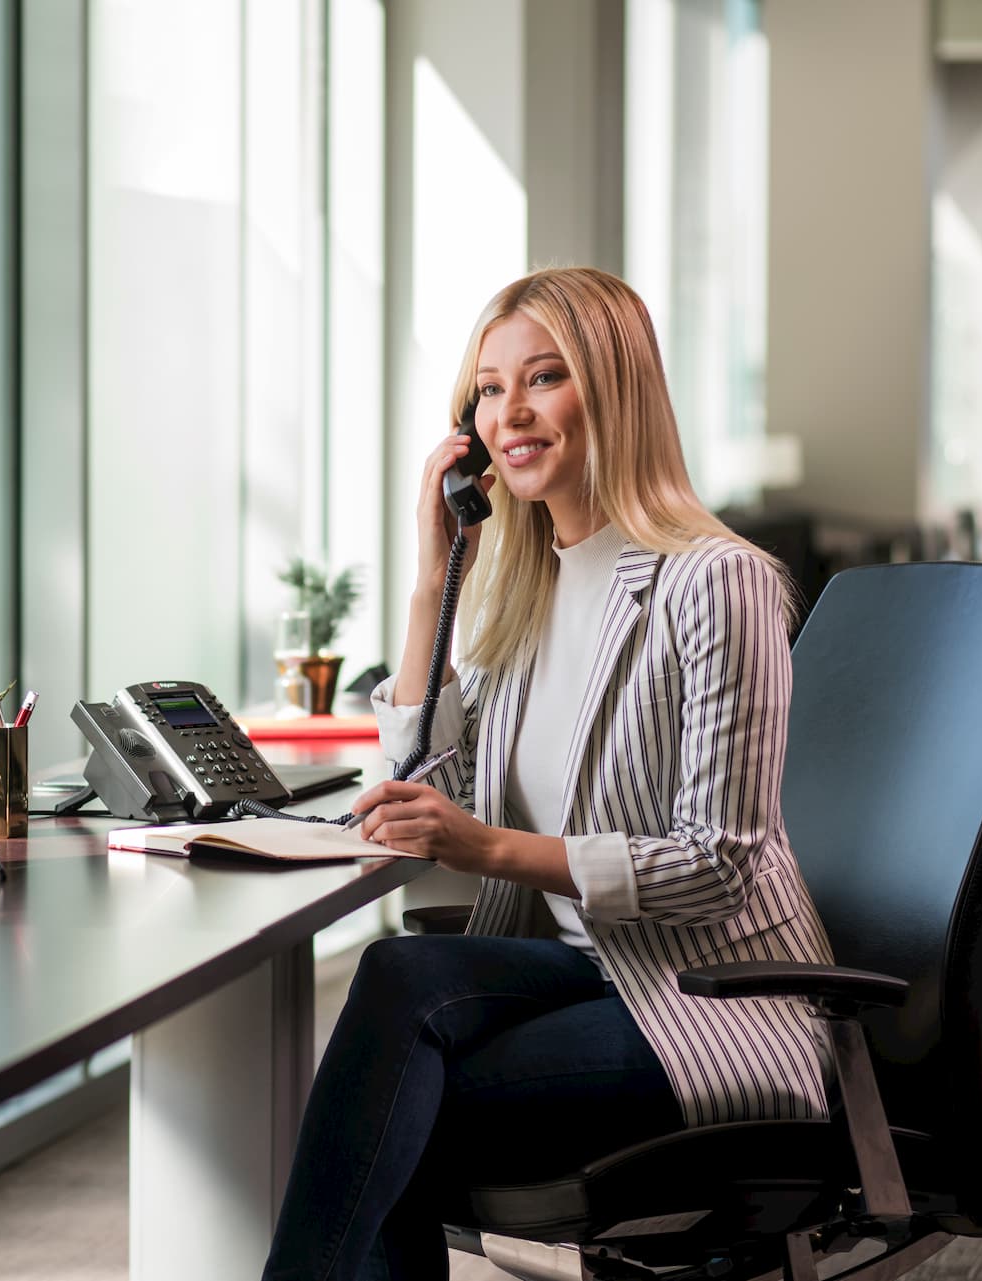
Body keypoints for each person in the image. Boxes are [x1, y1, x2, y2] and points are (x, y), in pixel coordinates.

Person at [260, 266, 834, 1280]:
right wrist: (437, 578)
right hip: (578, 968)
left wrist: (486, 847)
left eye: (543, 378)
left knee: (392, 1109)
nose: (507, 412)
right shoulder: (527, 592)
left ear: (612, 391)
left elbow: (716, 868)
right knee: (398, 981)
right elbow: (423, 783)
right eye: (486, 389)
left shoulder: (717, 581)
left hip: (702, 997)